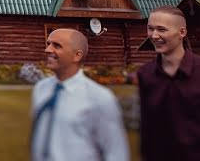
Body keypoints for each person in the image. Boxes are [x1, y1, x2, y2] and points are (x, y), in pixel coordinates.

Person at [138, 6, 200, 161]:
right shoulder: (146, 75)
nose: (154, 35)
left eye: (162, 29)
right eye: (150, 28)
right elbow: (147, 132)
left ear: (182, 33)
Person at [31, 28, 128, 161]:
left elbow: (115, 152)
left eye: (57, 45)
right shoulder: (41, 89)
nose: (47, 50)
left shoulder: (99, 97)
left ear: (77, 55)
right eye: (48, 44)